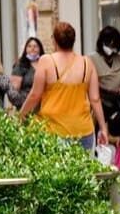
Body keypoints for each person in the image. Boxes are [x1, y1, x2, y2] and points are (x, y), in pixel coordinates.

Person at [18, 21, 109, 150]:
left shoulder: (46, 61)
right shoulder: (87, 63)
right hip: (83, 131)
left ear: (55, 40)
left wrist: (21, 116)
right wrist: (103, 129)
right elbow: (95, 99)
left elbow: (35, 95)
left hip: (53, 130)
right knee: (83, 169)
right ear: (74, 40)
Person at [92, 26, 120, 129]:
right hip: (101, 106)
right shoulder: (91, 59)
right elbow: (90, 85)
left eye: (113, 44)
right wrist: (108, 92)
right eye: (108, 43)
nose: (111, 47)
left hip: (119, 106)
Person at [11, 36, 43, 110]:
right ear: (25, 49)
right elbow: (14, 90)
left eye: (35, 46)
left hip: (43, 106)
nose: (32, 48)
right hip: (26, 105)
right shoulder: (20, 66)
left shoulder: (45, 64)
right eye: (29, 46)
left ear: (40, 49)